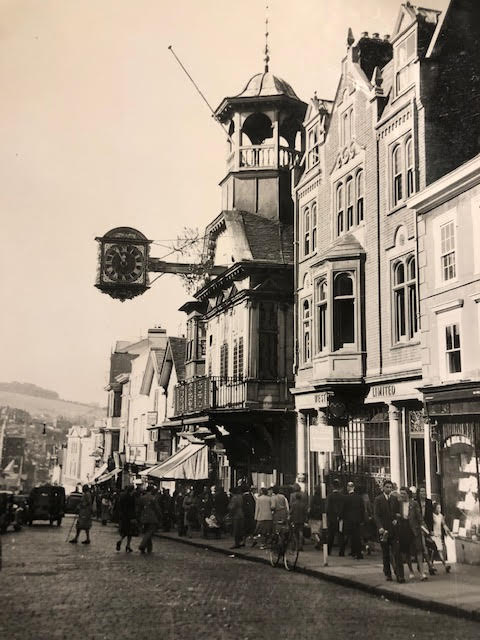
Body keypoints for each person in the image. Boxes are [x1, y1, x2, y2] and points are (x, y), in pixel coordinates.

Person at [396, 486, 428, 581]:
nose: (402, 495)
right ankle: (411, 571)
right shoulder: (399, 503)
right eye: (401, 493)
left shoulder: (414, 504)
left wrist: (424, 527)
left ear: (408, 494)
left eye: (404, 494)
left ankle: (422, 572)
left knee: (419, 550)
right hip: (404, 528)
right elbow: (397, 515)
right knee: (406, 551)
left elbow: (419, 517)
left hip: (414, 528)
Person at [374, 479, 403, 582]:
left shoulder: (394, 499)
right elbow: (376, 515)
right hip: (384, 531)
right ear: (383, 488)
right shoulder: (378, 499)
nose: (389, 489)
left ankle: (400, 575)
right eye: (387, 487)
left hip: (393, 530)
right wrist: (380, 527)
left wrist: (396, 519)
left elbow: (398, 513)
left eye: (390, 487)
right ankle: (388, 573)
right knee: (386, 553)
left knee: (397, 552)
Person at [340, 481, 364, 559]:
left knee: (346, 536)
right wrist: (361, 519)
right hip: (357, 520)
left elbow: (343, 509)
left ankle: (342, 551)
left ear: (349, 487)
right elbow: (362, 509)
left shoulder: (345, 497)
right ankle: (357, 552)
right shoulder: (359, 497)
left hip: (348, 520)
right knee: (356, 537)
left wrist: (341, 517)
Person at [138, 485, 162, 554]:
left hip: (144, 517)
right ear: (151, 490)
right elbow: (157, 509)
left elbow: (139, 508)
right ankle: (142, 545)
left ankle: (149, 548)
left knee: (147, 532)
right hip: (152, 517)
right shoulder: (153, 498)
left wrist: (139, 517)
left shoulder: (142, 498)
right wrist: (160, 516)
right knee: (149, 532)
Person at [417, 486, 435, 575]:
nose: (423, 493)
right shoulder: (416, 502)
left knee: (430, 546)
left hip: (427, 528)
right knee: (423, 547)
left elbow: (430, 517)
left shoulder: (429, 502)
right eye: (421, 491)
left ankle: (429, 564)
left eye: (424, 491)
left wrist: (431, 529)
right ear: (418, 493)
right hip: (419, 528)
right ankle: (430, 566)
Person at [431, 502, 453, 573]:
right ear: (434, 509)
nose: (439, 509)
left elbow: (444, 525)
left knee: (436, 551)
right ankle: (445, 566)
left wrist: (450, 534)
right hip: (433, 536)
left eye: (440, 508)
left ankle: (431, 566)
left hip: (439, 536)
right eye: (438, 508)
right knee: (437, 551)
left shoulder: (440, 516)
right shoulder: (432, 516)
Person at [326, 479, 345, 555]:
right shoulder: (342, 496)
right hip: (340, 518)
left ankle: (328, 551)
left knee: (331, 535)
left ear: (332, 486)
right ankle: (341, 552)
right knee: (341, 535)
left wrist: (328, 517)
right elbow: (344, 507)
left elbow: (327, 508)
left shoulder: (330, 496)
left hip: (331, 518)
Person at [116, 485, 136, 552]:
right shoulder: (131, 497)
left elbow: (119, 506)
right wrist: (133, 517)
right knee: (130, 532)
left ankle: (121, 541)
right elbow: (132, 508)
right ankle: (128, 545)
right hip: (129, 516)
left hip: (123, 516)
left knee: (125, 531)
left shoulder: (122, 496)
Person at [289, 484, 308, 551]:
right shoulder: (304, 495)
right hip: (302, 518)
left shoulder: (292, 495)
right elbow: (306, 506)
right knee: (301, 531)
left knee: (294, 532)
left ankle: (294, 545)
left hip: (294, 518)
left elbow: (291, 506)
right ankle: (300, 545)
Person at [309, 485, 324, 550]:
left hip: (314, 517)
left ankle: (319, 542)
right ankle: (318, 544)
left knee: (314, 532)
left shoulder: (313, 498)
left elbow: (311, 506)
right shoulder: (322, 498)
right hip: (320, 516)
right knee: (319, 531)